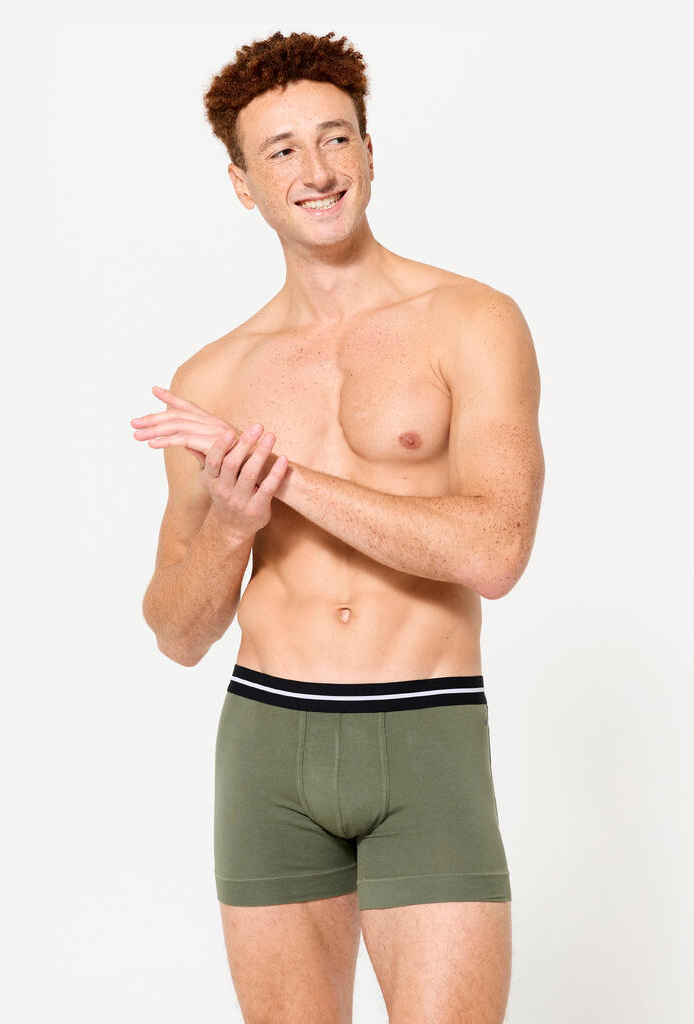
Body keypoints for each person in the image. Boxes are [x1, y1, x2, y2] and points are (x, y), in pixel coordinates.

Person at [130, 29, 544, 1024]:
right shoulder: (212, 378)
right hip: (268, 741)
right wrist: (232, 526)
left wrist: (286, 479)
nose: (315, 171)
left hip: (426, 731)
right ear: (243, 184)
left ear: (367, 150)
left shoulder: (470, 321)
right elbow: (177, 632)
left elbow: (494, 553)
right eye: (281, 151)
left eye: (334, 138)